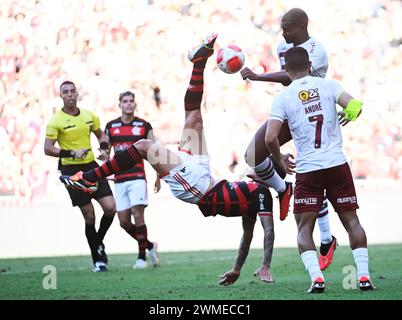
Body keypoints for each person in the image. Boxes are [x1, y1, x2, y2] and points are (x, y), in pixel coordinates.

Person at [59, 33, 284, 285]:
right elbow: (247, 236)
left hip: (197, 188)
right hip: (201, 173)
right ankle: (199, 62)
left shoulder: (260, 194)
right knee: (194, 116)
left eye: (263, 169)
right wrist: (237, 269)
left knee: (144, 145)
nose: (257, 169)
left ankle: (90, 178)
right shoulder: (249, 189)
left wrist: (265, 265)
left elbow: (266, 231)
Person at [265, 46, 374, 293]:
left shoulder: (283, 97)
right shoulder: (330, 86)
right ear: (311, 66)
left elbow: (270, 137)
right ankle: (364, 277)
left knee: (304, 228)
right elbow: (356, 105)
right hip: (337, 164)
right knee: (352, 222)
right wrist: (349, 114)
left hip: (309, 168)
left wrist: (279, 158)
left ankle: (317, 278)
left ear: (285, 70)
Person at [241, 8, 337, 271]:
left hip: (314, 111)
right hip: (291, 108)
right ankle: (283, 189)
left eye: (287, 27)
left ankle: (327, 239)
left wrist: (258, 76)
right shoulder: (282, 45)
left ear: (302, 26)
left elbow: (290, 76)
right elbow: (288, 80)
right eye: (281, 26)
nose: (282, 31)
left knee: (314, 172)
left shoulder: (317, 49)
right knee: (253, 155)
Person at [44, 80, 116, 272]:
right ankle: (98, 259)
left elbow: (102, 136)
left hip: (91, 167)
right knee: (90, 216)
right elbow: (47, 149)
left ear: (77, 94)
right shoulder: (55, 121)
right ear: (60, 96)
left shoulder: (88, 116)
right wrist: (70, 154)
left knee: (110, 208)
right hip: (70, 171)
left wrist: (104, 150)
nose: (69, 94)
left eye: (72, 91)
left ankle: (97, 242)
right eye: (65, 92)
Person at [104, 91, 160, 269]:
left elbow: (155, 152)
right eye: (125, 101)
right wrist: (103, 163)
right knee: (124, 222)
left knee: (138, 214)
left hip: (137, 177)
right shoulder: (111, 126)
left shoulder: (144, 126)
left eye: (131, 101)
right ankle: (150, 245)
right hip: (119, 179)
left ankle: (141, 258)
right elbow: (106, 151)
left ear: (135, 104)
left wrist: (158, 176)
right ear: (119, 104)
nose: (128, 104)